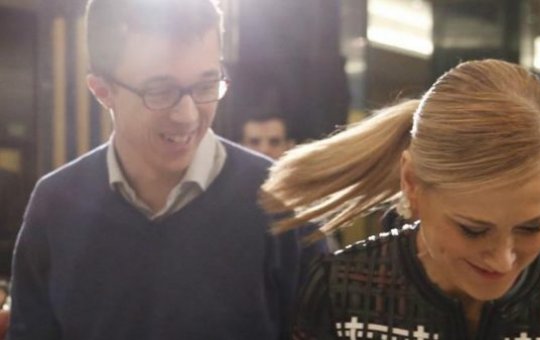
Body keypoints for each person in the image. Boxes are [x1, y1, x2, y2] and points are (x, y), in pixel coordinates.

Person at [261, 59, 540, 339]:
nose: (503, 259)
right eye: (473, 230)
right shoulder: (345, 291)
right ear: (412, 184)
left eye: (532, 226)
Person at [9, 0, 319, 338]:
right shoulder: (57, 205)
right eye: (159, 91)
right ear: (102, 90)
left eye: (205, 86)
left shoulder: (283, 202)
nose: (187, 115)